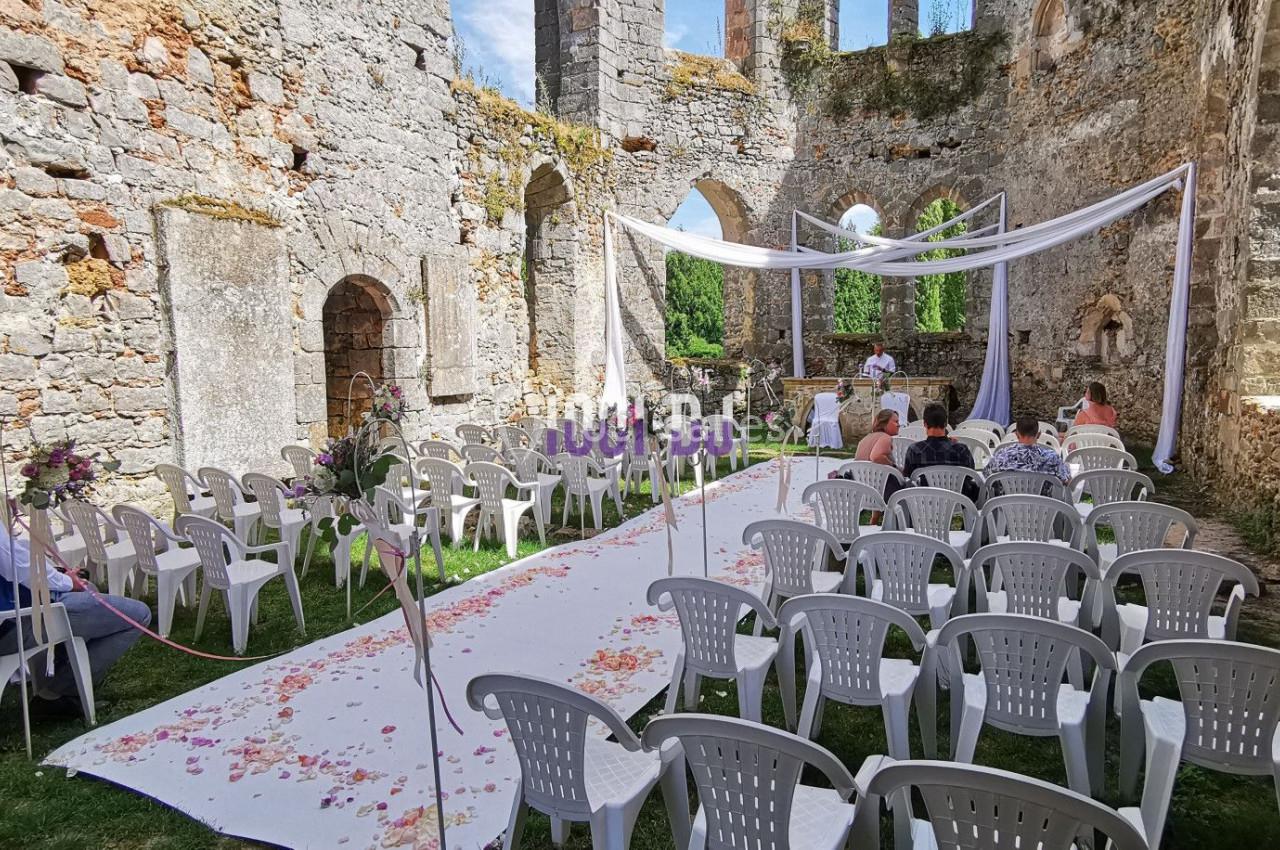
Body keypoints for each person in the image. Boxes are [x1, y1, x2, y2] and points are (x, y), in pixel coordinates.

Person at [0, 525, 151, 716]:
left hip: (16, 615)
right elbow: (17, 564)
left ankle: (59, 681)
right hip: (13, 626)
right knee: (138, 615)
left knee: (89, 591)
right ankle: (58, 692)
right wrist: (68, 582)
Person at [902, 403, 979, 501]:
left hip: (926, 501)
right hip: (958, 501)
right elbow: (970, 474)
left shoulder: (914, 450)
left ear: (925, 424)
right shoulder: (961, 449)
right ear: (946, 424)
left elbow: (909, 476)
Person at [987, 415, 1072, 484]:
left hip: (1007, 503)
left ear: (1016, 434)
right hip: (1043, 504)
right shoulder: (1052, 457)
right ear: (1038, 435)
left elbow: (987, 475)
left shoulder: (1001, 455)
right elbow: (1067, 480)